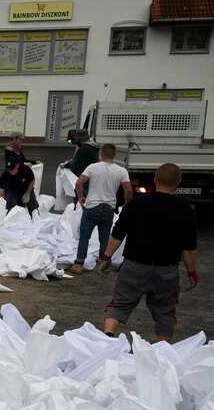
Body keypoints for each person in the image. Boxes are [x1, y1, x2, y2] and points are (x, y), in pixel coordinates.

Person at [100, 162, 199, 341]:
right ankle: (161, 355)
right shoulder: (186, 209)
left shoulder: (137, 203)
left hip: (134, 266)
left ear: (155, 179)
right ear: (179, 182)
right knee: (164, 313)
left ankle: (107, 340)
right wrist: (192, 272)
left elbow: (118, 234)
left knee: (120, 304)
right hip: (166, 271)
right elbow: (189, 249)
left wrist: (106, 257)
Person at [70, 143, 133, 274]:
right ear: (114, 155)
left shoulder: (93, 167)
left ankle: (79, 263)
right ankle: (103, 262)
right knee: (104, 237)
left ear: (101, 154)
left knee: (84, 236)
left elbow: (79, 183)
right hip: (109, 208)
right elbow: (128, 189)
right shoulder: (121, 171)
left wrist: (81, 197)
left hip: (92, 206)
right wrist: (127, 203)